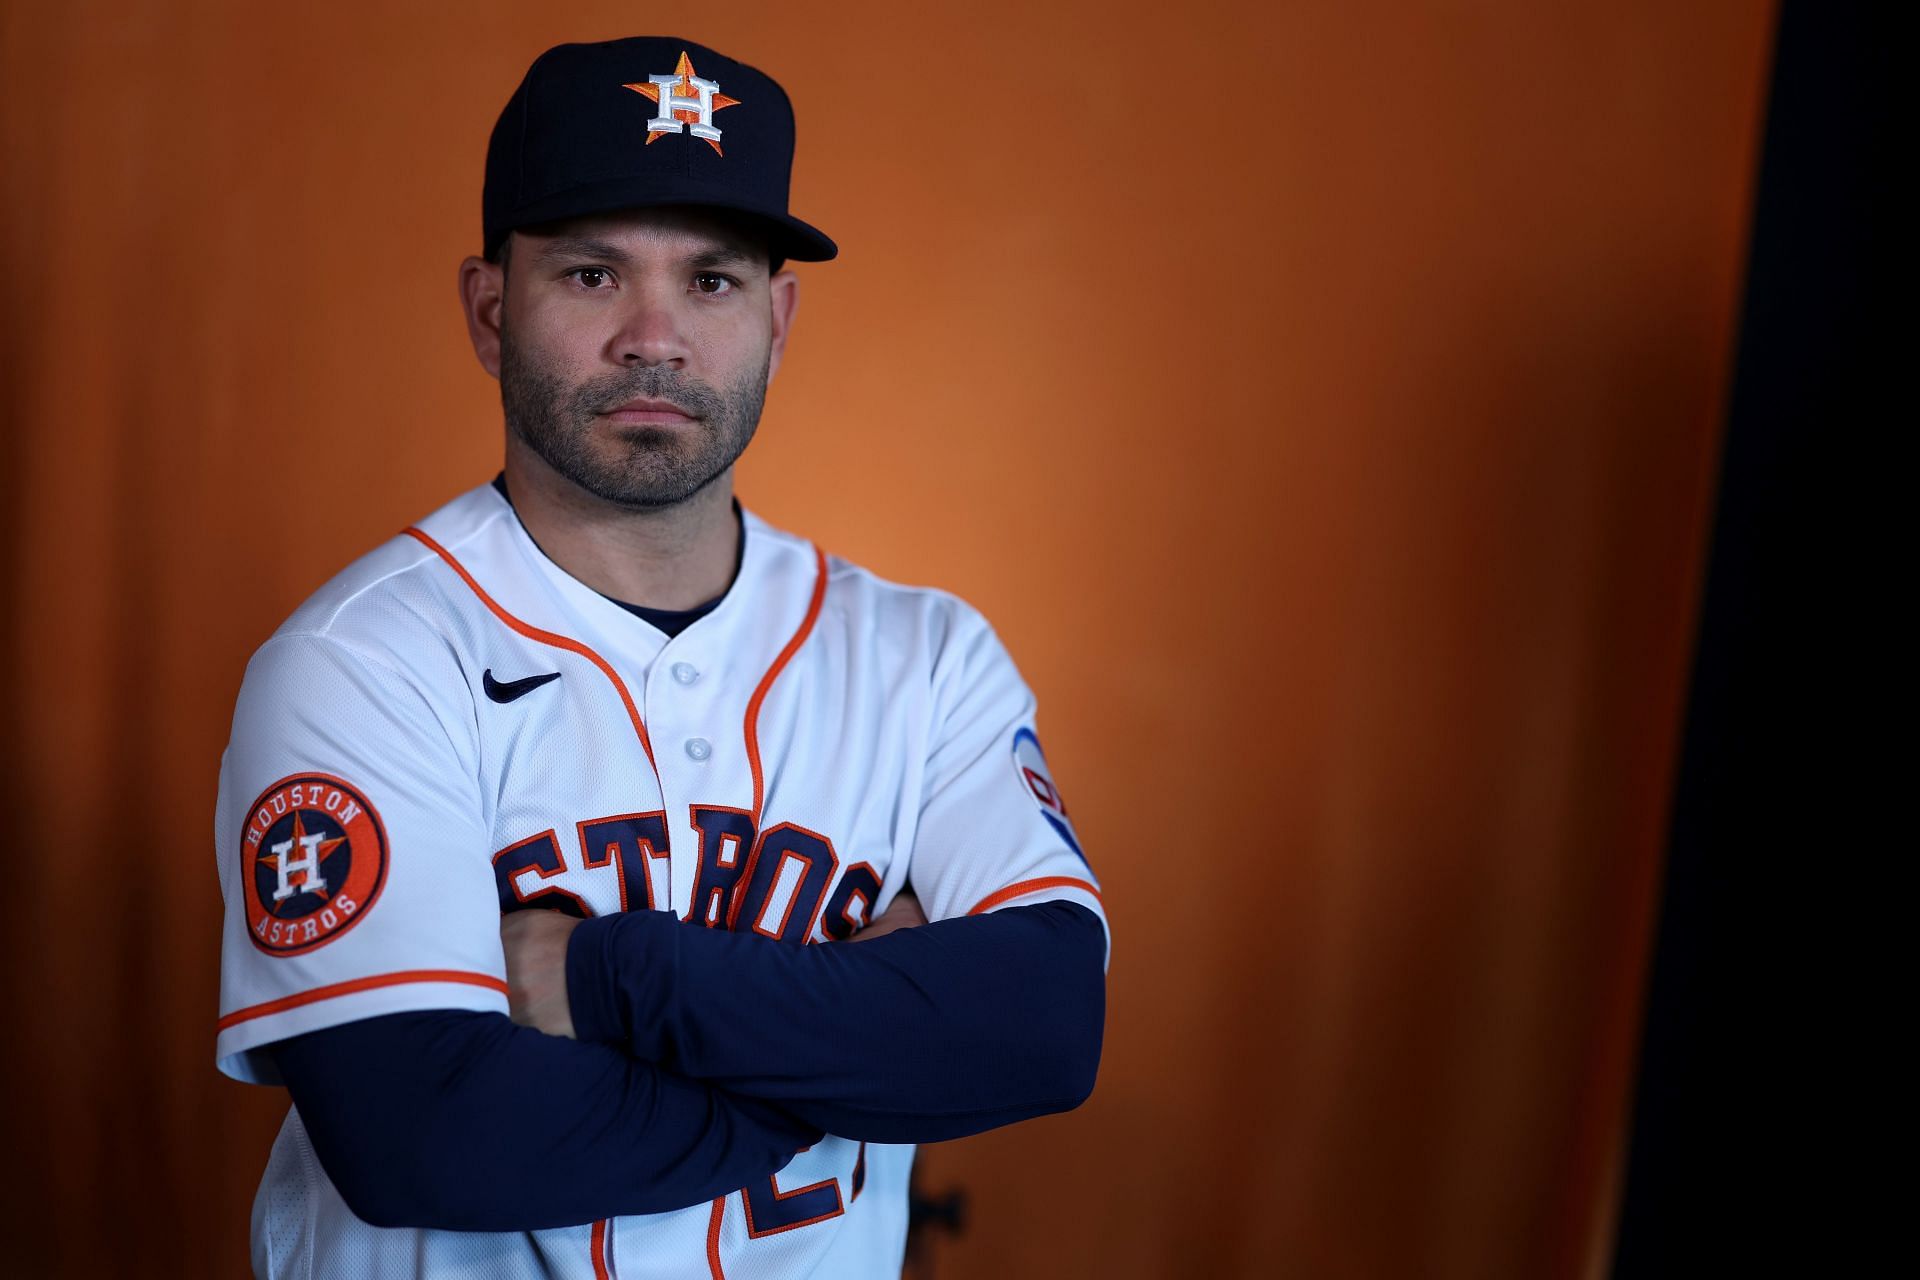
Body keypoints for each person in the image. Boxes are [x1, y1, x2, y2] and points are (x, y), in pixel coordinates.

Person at [213, 34, 1108, 1279]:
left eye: (713, 281)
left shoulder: (928, 658)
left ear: (778, 319)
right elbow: (425, 1134)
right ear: (488, 308)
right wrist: (860, 1050)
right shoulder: (358, 663)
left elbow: (1043, 1029)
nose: (654, 336)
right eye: (590, 274)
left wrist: (604, 973)